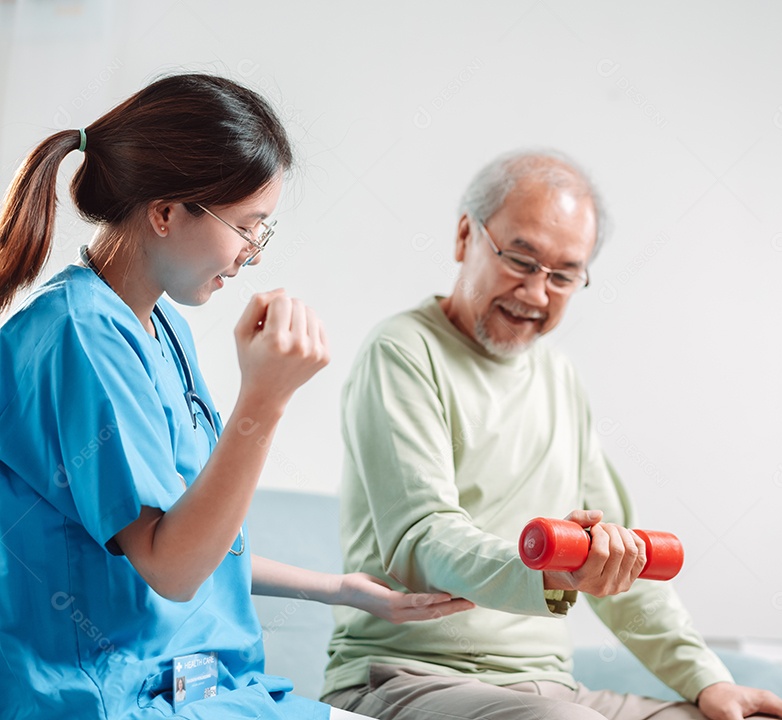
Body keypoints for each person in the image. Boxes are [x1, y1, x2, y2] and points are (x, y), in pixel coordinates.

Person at [0, 73, 471, 720]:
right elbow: (172, 569)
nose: (252, 254)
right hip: (114, 700)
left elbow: (197, 538)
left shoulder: (159, 326)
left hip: (208, 689)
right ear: (166, 213)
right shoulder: (77, 337)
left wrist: (345, 590)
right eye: (247, 226)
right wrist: (265, 400)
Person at [322, 149, 782, 720]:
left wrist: (707, 682)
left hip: (550, 688)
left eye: (562, 275)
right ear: (465, 237)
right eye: (520, 260)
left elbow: (625, 565)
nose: (535, 294)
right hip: (407, 679)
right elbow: (423, 538)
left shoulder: (561, 378)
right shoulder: (403, 351)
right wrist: (546, 572)